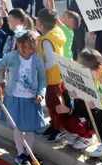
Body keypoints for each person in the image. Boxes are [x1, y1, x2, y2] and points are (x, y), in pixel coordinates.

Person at [0, 29, 46, 165]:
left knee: (29, 129)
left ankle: (29, 153)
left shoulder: (37, 60)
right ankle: (20, 153)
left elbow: (42, 79)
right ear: (18, 44)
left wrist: (41, 93)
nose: (25, 49)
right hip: (15, 98)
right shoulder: (12, 57)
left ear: (34, 47)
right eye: (22, 46)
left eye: (29, 46)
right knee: (18, 128)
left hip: (31, 100)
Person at [36, 8, 66, 142]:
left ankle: (59, 128)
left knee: (53, 104)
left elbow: (51, 60)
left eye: (36, 20)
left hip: (52, 76)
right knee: (50, 103)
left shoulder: (46, 40)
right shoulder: (54, 33)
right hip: (55, 75)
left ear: (40, 23)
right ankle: (53, 124)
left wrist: (41, 71)